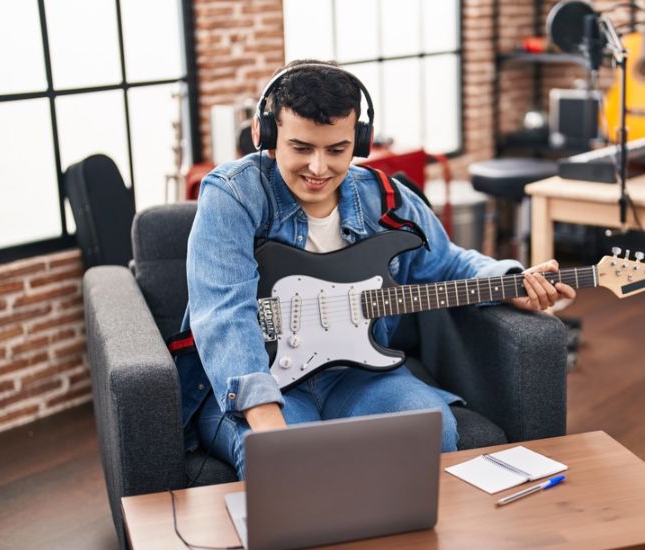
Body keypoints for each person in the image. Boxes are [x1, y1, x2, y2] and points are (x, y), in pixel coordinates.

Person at [178, 59, 575, 479]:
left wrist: (508, 281)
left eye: (337, 150)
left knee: (430, 427)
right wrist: (269, 425)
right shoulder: (232, 195)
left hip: (357, 376)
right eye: (301, 148)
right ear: (266, 135)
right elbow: (224, 312)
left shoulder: (383, 196)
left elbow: (447, 261)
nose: (318, 168)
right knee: (295, 470)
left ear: (360, 141)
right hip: (263, 384)